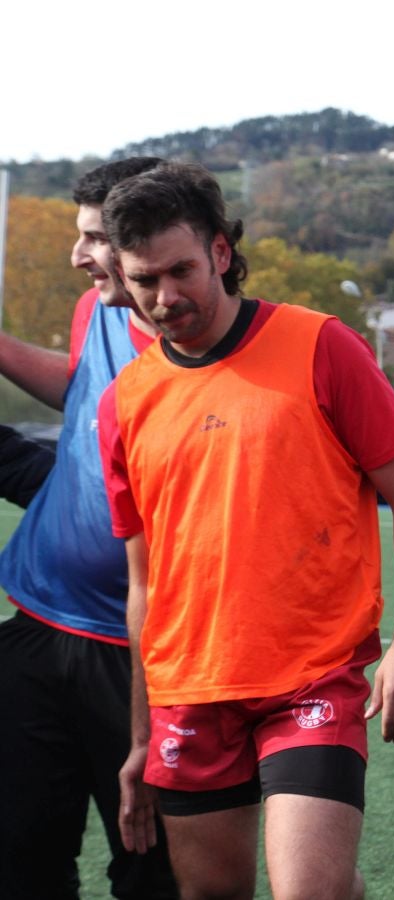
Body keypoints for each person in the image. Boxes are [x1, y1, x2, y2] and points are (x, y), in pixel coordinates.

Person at [96, 162, 394, 899]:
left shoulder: (321, 346)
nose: (165, 297)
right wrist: (139, 736)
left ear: (221, 252)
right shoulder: (125, 400)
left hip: (310, 679)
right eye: (143, 280)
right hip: (190, 689)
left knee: (307, 892)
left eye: (181, 270)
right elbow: (143, 584)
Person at [0, 158, 180, 900]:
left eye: (95, 238)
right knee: (20, 861)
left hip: (147, 661)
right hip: (39, 627)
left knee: (154, 872)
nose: (78, 256)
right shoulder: (95, 309)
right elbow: (81, 385)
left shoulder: (200, 356)